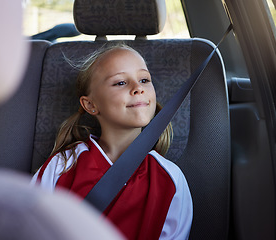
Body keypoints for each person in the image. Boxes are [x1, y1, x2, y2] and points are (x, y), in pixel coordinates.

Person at [31, 44, 193, 240]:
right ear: (90, 105)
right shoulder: (62, 166)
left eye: (144, 80)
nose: (138, 88)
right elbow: (29, 226)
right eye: (120, 83)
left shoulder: (170, 178)